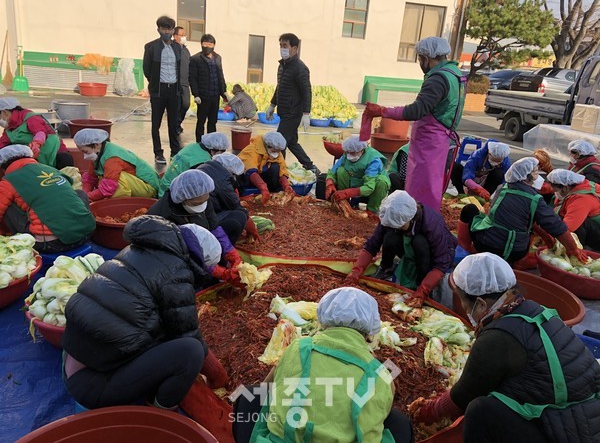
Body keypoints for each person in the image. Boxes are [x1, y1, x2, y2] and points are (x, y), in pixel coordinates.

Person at [410, 253, 600, 443]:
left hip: (569, 433)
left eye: (464, 302)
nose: (465, 308)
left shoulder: (497, 339)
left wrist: (426, 412)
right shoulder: (535, 310)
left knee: (480, 411)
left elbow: (462, 397)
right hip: (589, 420)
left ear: (481, 304)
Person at [62, 216, 229, 410]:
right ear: (200, 260)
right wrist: (217, 374)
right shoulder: (176, 273)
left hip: (71, 362)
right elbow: (187, 334)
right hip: (93, 385)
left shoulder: (137, 250)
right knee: (191, 351)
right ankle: (160, 411)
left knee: (158, 328)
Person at [232, 287, 414, 443]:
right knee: (399, 423)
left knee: (249, 396)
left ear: (324, 320)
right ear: (370, 332)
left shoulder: (298, 347)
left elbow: (266, 387)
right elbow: (380, 413)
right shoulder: (381, 375)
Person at [362, 37, 466, 210]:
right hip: (440, 140)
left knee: (422, 188)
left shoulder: (438, 79)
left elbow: (416, 110)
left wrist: (383, 111)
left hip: (430, 143)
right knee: (432, 185)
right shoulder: (455, 73)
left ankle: (416, 224)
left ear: (427, 58)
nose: (420, 62)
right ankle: (421, 219)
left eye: (420, 58)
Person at [457, 157, 587, 266]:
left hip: (486, 245)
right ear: (525, 176)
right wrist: (573, 249)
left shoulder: (502, 189)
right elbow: (556, 226)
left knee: (470, 210)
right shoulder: (535, 198)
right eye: (536, 172)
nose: (538, 176)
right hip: (515, 253)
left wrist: (547, 237)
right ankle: (517, 262)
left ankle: (464, 247)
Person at [346, 190, 457, 307]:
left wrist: (423, 290)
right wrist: (356, 271)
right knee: (390, 235)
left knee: (419, 241)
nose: (397, 228)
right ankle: (385, 269)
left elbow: (441, 262)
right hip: (407, 247)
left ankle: (421, 281)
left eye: (400, 225)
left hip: (428, 254)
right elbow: (373, 244)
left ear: (410, 218)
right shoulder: (391, 214)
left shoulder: (432, 223)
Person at [147, 170, 244, 280]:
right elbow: (180, 253)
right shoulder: (163, 217)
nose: (202, 206)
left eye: (205, 201)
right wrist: (213, 270)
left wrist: (229, 250)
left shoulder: (202, 198)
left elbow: (213, 226)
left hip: (199, 242)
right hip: (169, 258)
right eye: (196, 204)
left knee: (234, 221)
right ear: (183, 199)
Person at [0, 145, 95, 253]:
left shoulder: (8, 181)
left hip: (51, 244)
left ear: (3, 168)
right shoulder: (52, 170)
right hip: (86, 235)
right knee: (79, 193)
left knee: (6, 204)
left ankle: (11, 236)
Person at [265, 33, 319, 173]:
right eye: (280, 46)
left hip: (293, 112)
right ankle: (310, 166)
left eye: (285, 46)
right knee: (292, 142)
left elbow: (306, 91)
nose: (282, 49)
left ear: (294, 48)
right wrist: (272, 104)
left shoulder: (300, 68)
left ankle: (278, 171)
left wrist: (306, 113)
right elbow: (280, 86)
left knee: (279, 143)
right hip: (284, 111)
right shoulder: (282, 66)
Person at [74, 129, 159, 201]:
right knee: (103, 179)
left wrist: (88, 197)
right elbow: (90, 178)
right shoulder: (98, 153)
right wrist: (84, 195)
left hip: (149, 188)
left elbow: (109, 187)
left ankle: (120, 202)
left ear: (97, 144)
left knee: (116, 180)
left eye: (85, 152)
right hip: (134, 184)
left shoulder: (112, 158)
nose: (85, 156)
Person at [143, 15, 182, 164]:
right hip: (159, 90)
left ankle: (175, 151)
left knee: (174, 123)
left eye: (170, 29)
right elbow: (147, 69)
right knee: (156, 123)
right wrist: (154, 84)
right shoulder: (151, 47)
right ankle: (158, 153)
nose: (167, 31)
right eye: (164, 28)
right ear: (158, 29)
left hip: (174, 90)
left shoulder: (177, 47)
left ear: (173, 30)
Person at [0, 97, 73, 169]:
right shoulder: (8, 129)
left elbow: (40, 132)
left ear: (5, 112)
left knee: (65, 162)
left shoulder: (29, 117)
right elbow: (2, 144)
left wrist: (36, 144)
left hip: (56, 154)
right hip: (36, 160)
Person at [198, 153, 255, 244]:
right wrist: (251, 227)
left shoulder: (205, 166)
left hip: (201, 212)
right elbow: (235, 205)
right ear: (231, 171)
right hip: (203, 220)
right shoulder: (223, 180)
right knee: (239, 216)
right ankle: (226, 244)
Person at [325, 135, 390, 213]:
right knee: (341, 171)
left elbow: (369, 187)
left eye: (352, 153)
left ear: (361, 150)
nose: (349, 155)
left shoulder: (373, 159)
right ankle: (344, 203)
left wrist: (346, 193)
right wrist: (330, 184)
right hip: (355, 183)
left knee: (381, 182)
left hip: (370, 188)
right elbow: (333, 171)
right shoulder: (347, 154)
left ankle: (371, 210)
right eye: (347, 152)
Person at [158, 132, 229, 197]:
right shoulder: (202, 162)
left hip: (164, 187)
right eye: (222, 151)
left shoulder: (194, 146)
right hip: (171, 194)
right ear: (214, 150)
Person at [547, 169, 600, 251]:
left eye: (555, 190)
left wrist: (546, 236)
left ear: (565, 187)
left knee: (576, 228)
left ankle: (583, 250)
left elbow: (567, 228)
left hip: (596, 231)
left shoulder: (582, 200)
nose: (555, 193)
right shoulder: (577, 186)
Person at [189, 34, 228, 142]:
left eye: (210, 44)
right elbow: (192, 78)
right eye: (205, 44)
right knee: (201, 121)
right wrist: (195, 94)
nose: (207, 46)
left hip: (215, 96)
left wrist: (224, 92)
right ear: (201, 44)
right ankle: (199, 143)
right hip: (203, 96)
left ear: (214, 45)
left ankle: (211, 143)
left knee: (213, 121)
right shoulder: (195, 59)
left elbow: (220, 76)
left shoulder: (218, 58)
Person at [238, 131, 295, 205]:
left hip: (261, 176)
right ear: (267, 146)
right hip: (247, 178)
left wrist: (286, 185)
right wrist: (263, 187)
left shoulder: (275, 150)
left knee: (275, 167)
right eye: (274, 151)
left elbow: (282, 169)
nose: (276, 153)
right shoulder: (251, 150)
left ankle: (271, 194)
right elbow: (251, 171)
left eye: (278, 151)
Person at [173, 26, 191, 136]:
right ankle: (175, 126)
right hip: (175, 83)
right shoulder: (171, 48)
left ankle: (178, 123)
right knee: (176, 106)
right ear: (175, 36)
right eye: (182, 35)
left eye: (185, 35)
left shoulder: (186, 50)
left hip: (185, 83)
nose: (184, 37)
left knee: (186, 104)